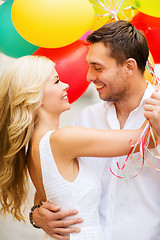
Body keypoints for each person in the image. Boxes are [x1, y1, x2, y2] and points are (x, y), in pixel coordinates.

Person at [32, 20, 160, 240]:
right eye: (89, 66)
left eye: (98, 67)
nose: (89, 77)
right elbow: (54, 183)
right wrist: (37, 215)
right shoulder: (87, 118)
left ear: (129, 67)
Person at [0, 55, 150, 240]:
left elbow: (44, 201)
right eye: (56, 81)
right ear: (35, 96)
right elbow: (142, 140)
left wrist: (35, 215)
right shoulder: (62, 139)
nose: (66, 85)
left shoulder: (32, 147)